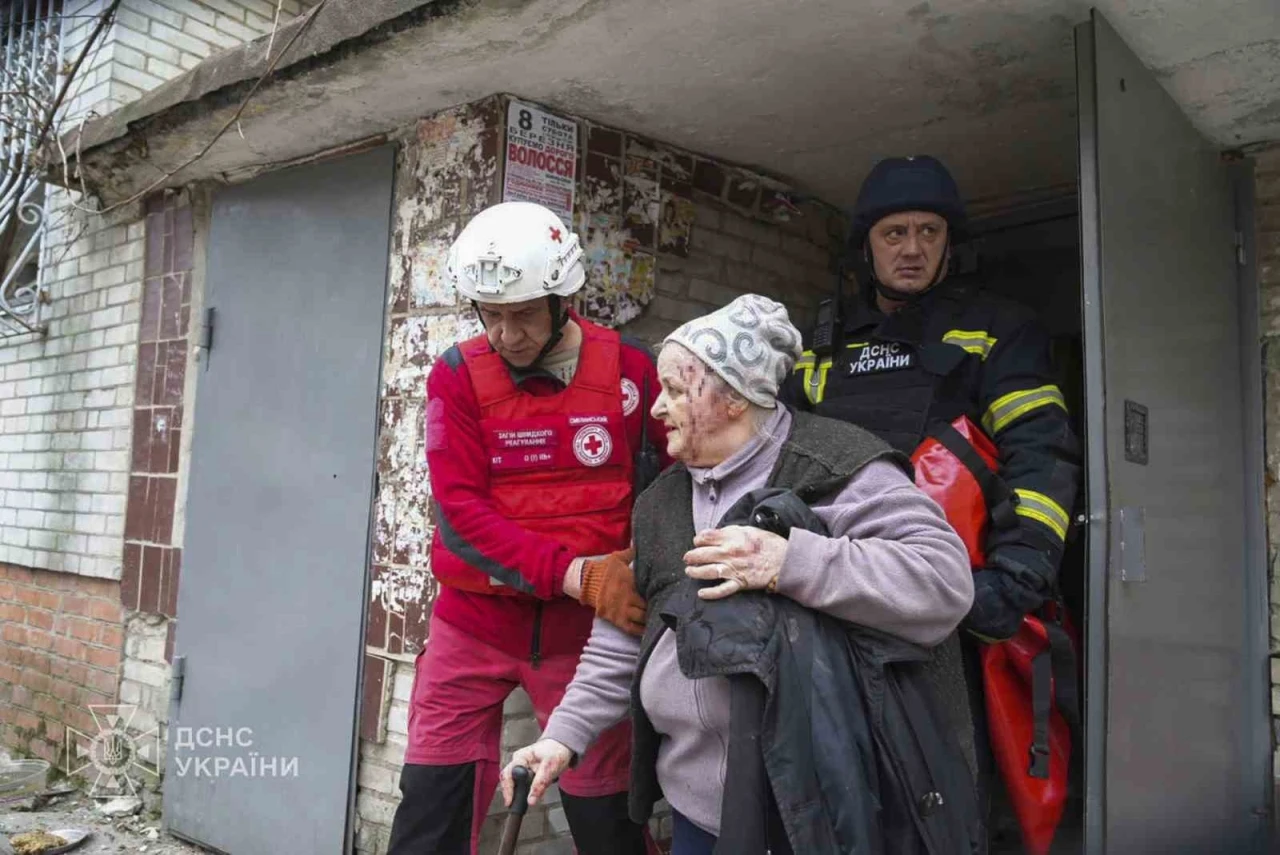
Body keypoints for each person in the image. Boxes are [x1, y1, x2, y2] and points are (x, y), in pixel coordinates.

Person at [501, 294, 978, 854]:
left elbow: (944, 580)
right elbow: (623, 640)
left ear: (733, 399)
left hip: (819, 816)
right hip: (697, 815)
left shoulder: (837, 467)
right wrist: (561, 737)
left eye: (676, 391)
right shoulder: (659, 504)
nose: (657, 409)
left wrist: (789, 562)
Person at [780, 155, 1082, 846]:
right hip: (839, 599)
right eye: (894, 233)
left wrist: (1012, 582)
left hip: (956, 609)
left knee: (954, 797)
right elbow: (783, 461)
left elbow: (1042, 457)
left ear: (951, 244)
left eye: (928, 231)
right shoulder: (822, 345)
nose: (912, 248)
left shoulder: (998, 329)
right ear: (867, 245)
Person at [386, 201, 667, 855]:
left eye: (522, 313)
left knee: (607, 824)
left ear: (562, 298)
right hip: (473, 625)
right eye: (492, 313)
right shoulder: (456, 375)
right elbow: (461, 517)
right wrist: (577, 572)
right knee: (429, 811)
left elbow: (672, 490)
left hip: (587, 640)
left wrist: (647, 575)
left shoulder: (631, 371)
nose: (506, 333)